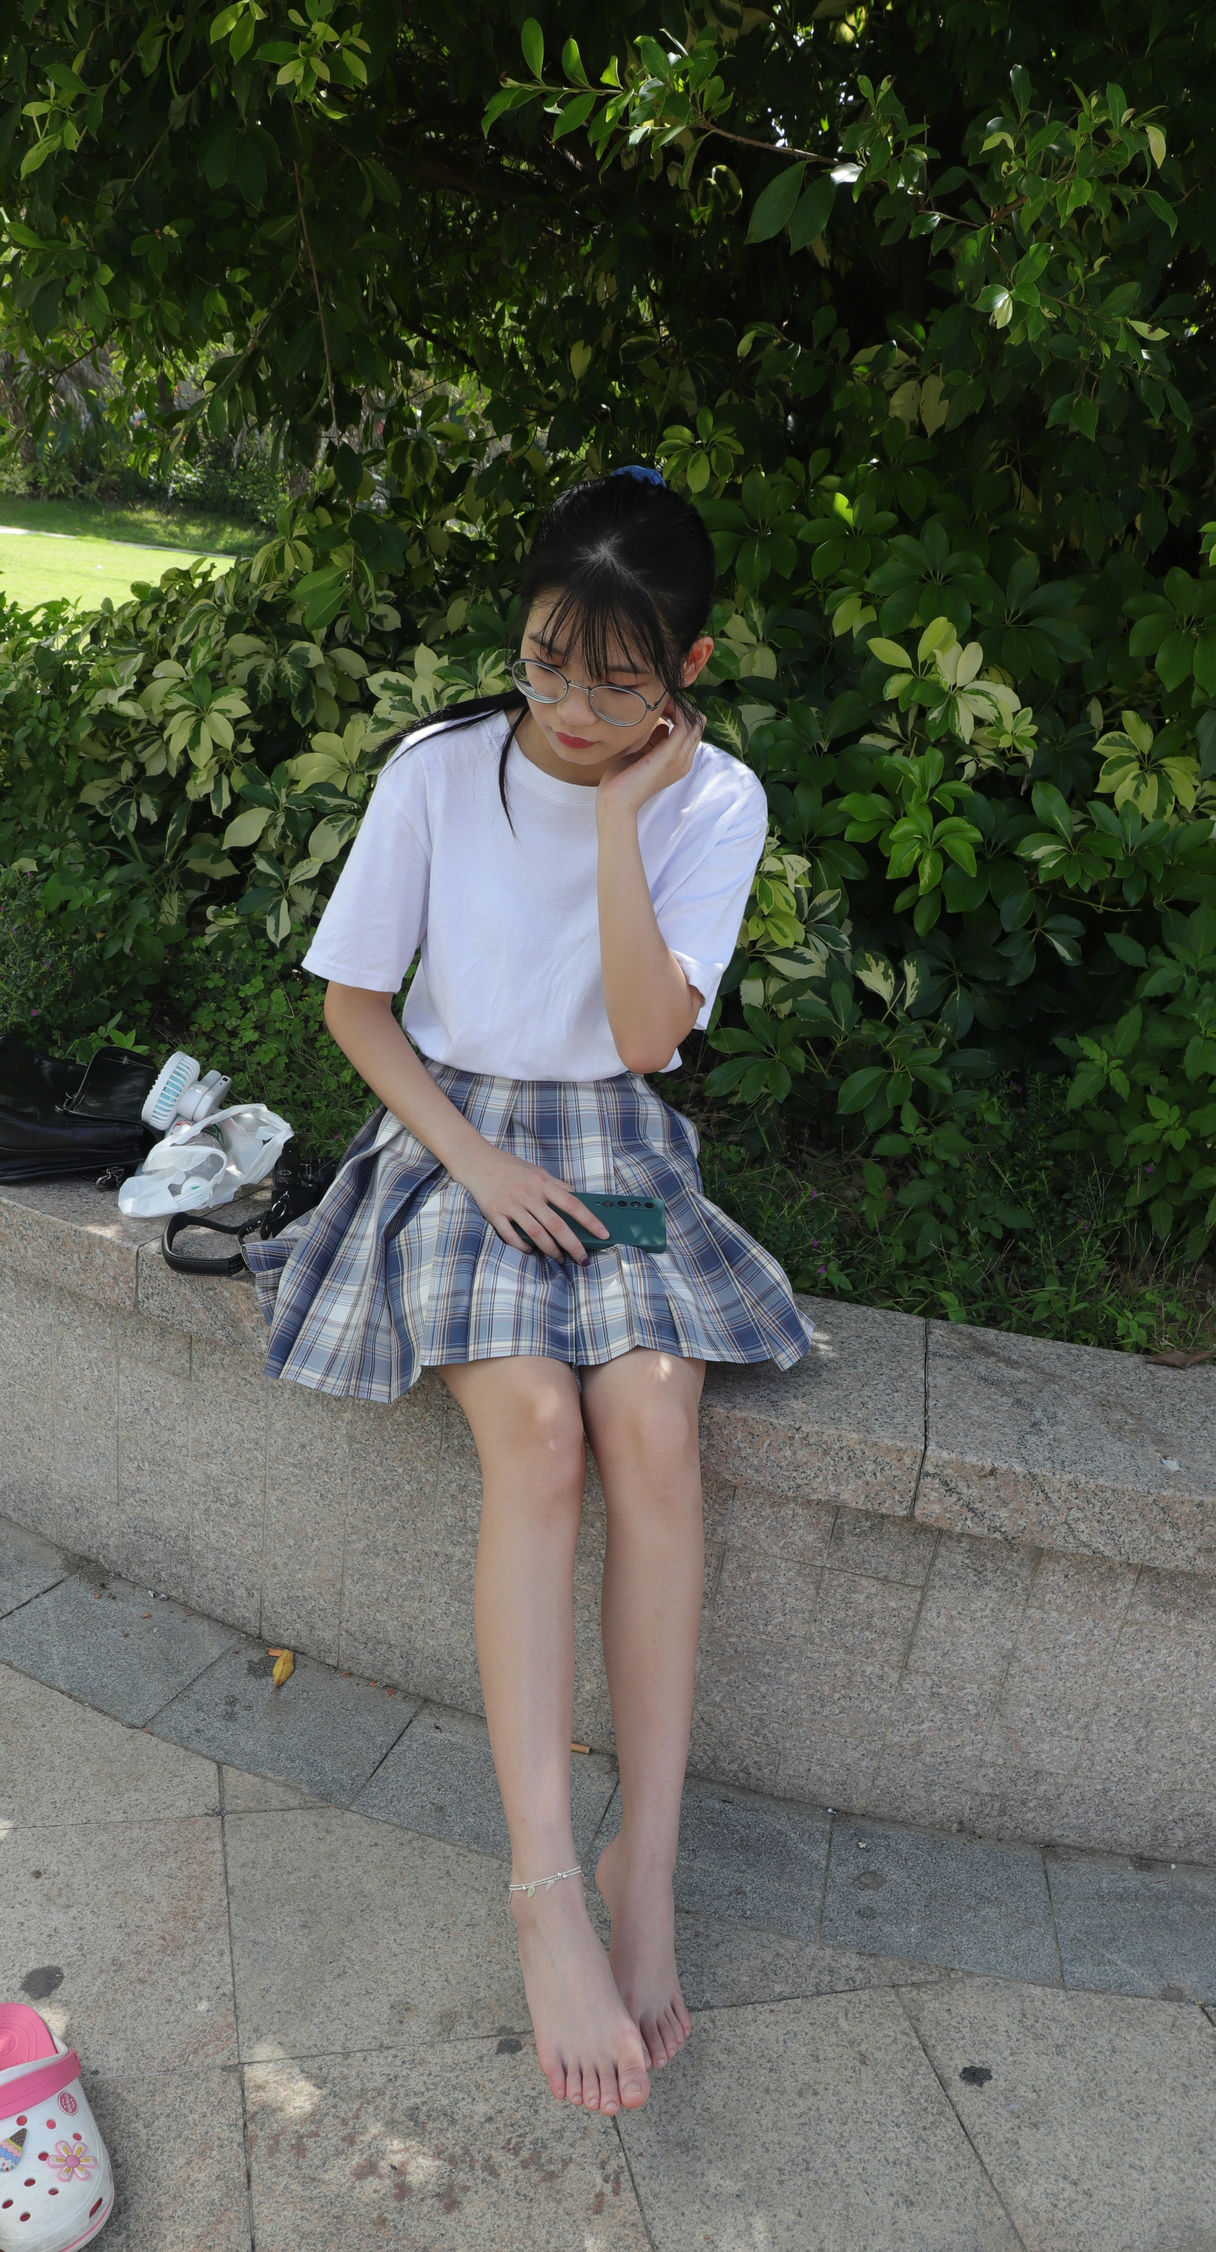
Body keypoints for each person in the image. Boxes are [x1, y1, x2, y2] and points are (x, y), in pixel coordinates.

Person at [242, 464, 815, 2119]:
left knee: (653, 1429)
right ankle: (546, 1884)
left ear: (687, 672)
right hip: (454, 1136)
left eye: (617, 684)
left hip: (617, 1145)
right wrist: (475, 1162)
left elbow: (645, 1038)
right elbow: (358, 1006)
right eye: (546, 661)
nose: (567, 710)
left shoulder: (718, 805)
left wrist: (625, 820)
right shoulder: (438, 770)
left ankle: (650, 1869)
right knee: (542, 1440)